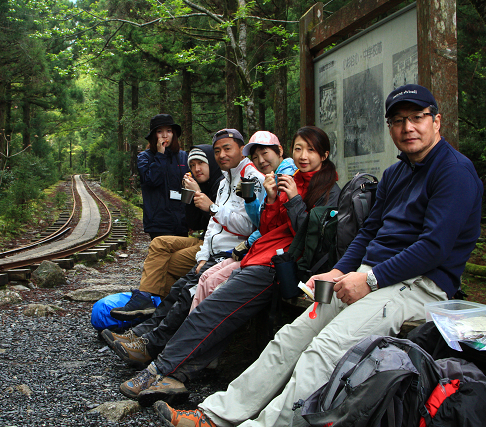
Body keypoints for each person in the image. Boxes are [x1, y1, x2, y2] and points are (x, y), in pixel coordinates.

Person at [155, 84, 484, 427]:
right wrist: (339, 271)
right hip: (371, 275)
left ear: (437, 121)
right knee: (289, 339)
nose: (408, 127)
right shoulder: (396, 173)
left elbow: (434, 248)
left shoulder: (454, 171)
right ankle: (216, 415)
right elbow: (368, 231)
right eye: (399, 120)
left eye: (418, 118)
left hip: (418, 284)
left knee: (326, 348)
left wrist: (369, 279)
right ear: (390, 127)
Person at [120, 126, 341, 407]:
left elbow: (311, 239)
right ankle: (176, 373)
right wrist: (272, 201)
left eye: (310, 150)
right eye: (299, 148)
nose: (303, 155)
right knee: (212, 302)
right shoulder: (289, 179)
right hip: (261, 255)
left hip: (283, 266)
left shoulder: (329, 191)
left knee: (215, 306)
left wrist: (295, 199)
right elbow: (269, 227)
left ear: (324, 154)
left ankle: (160, 368)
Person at [104, 129, 265, 369]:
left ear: (241, 149)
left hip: (232, 254)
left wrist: (211, 207)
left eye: (227, 148)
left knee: (185, 294)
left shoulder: (249, 178)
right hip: (212, 253)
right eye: (218, 150)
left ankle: (150, 346)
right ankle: (141, 333)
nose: (221, 154)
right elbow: (209, 226)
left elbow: (248, 225)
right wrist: (202, 255)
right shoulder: (225, 180)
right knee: (179, 289)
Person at [110, 145, 224, 320]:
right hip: (203, 240)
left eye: (201, 163)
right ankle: (146, 297)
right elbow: (193, 223)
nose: (196, 169)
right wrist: (189, 194)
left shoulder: (221, 185)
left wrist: (200, 194)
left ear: (212, 162)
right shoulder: (204, 185)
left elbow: (220, 223)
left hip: (216, 244)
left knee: (167, 263)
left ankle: (165, 309)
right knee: (159, 243)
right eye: (192, 165)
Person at [192, 131, 298, 311]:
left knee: (206, 283)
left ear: (280, 151)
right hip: (237, 249)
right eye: (255, 156)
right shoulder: (266, 179)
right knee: (200, 280)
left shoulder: (285, 178)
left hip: (271, 255)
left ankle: (188, 332)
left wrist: (249, 240)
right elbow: (262, 222)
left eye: (265, 153)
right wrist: (250, 201)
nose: (261, 160)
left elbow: (272, 225)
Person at [137, 114, 189, 240]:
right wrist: (161, 154)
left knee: (179, 259)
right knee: (162, 257)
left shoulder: (183, 156)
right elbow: (151, 181)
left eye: (169, 131)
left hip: (181, 221)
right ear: (154, 135)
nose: (165, 135)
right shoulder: (145, 157)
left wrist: (191, 218)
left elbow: (190, 187)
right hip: (158, 222)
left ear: (174, 134)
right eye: (160, 131)